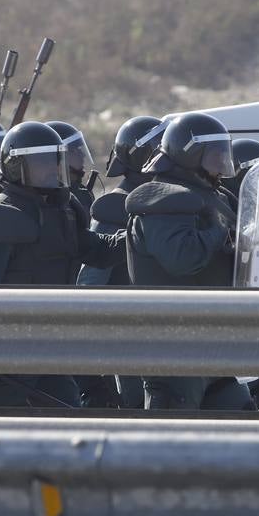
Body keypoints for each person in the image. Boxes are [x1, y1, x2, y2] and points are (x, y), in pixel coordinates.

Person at [0, 121, 125, 410]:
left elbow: (96, 251)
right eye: (41, 163)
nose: (51, 169)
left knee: (67, 420)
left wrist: (133, 236)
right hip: (9, 354)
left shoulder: (64, 210)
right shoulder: (1, 217)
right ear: (18, 167)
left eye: (54, 160)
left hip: (53, 343)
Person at [124, 112, 255, 412]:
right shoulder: (161, 199)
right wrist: (218, 233)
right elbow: (182, 259)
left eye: (225, 152)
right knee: (172, 448)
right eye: (215, 154)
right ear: (191, 155)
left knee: (242, 426)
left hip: (213, 341)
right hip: (175, 348)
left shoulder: (213, 195)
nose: (222, 161)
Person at [77, 115, 163, 409]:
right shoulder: (116, 206)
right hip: (129, 336)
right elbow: (90, 282)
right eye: (156, 149)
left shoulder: (163, 200)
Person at [44, 120, 100, 215]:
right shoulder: (49, 201)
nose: (82, 155)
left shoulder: (81, 194)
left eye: (80, 149)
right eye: (74, 151)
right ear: (56, 157)